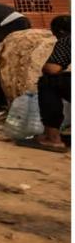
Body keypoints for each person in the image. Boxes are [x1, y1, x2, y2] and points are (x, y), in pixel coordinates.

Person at [32, 15, 70, 152]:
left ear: (59, 32)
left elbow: (52, 68)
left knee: (48, 82)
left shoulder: (67, 40)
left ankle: (52, 139)